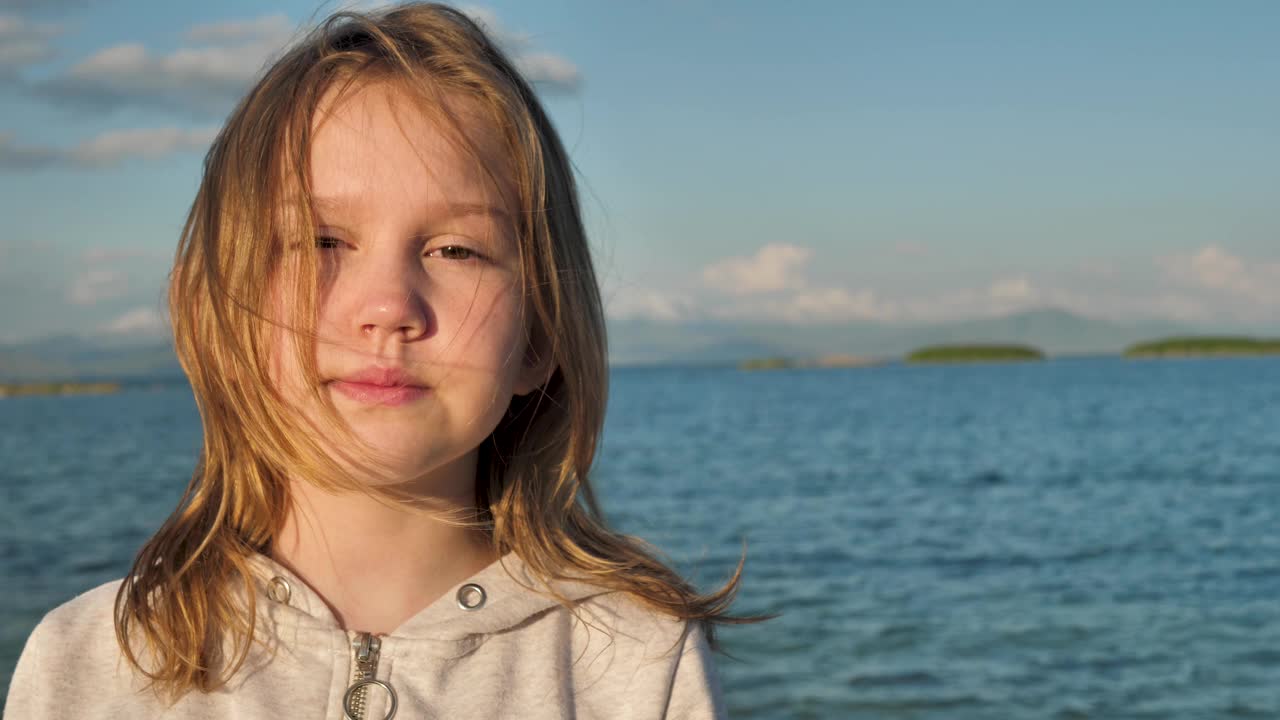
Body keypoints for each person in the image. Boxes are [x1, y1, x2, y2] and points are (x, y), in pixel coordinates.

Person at [4, 4, 757, 718]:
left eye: (456, 250)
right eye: (321, 242)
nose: (390, 305)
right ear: (212, 312)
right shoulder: (91, 663)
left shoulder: (634, 663)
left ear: (539, 339)